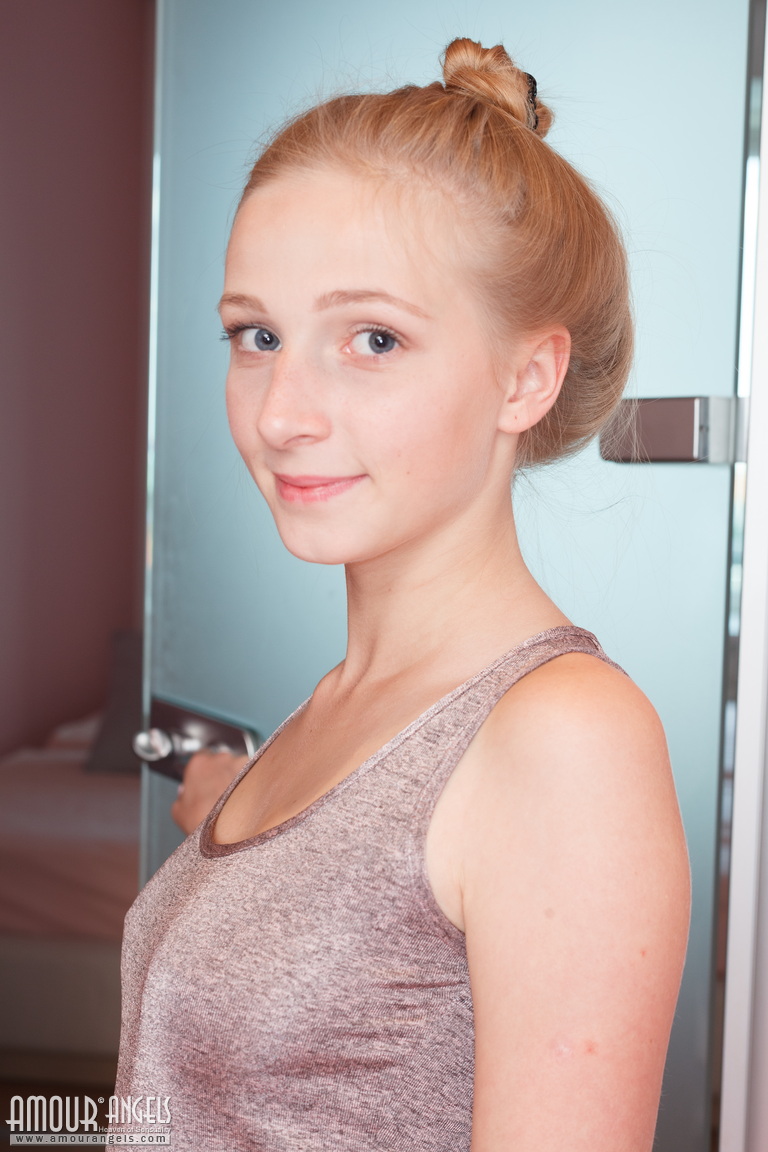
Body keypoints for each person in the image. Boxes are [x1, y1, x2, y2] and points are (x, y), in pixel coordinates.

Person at [115, 37, 691, 1151]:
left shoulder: (566, 740)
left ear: (526, 377)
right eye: (257, 336)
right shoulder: (335, 707)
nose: (281, 412)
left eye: (372, 339)